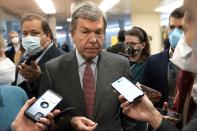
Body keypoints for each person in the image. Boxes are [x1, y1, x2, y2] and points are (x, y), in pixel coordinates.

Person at [39, 1, 135, 131]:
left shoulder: (120, 65)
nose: (93, 40)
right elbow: (46, 117)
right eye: (85, 32)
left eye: (99, 32)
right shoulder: (53, 69)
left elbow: (130, 114)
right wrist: (71, 121)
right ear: (72, 34)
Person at [120, 0, 197, 130]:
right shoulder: (154, 61)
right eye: (172, 28)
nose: (177, 34)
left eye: (183, 29)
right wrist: (155, 115)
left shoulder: (191, 65)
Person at [142, 7, 185, 108]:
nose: (175, 33)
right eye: (172, 27)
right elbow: (145, 95)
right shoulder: (153, 62)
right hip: (161, 119)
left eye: (181, 28)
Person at [13, 14, 64, 98]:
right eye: (25, 33)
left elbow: (62, 94)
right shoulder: (25, 57)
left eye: (34, 33)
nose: (28, 38)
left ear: (47, 35)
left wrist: (38, 79)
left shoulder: (61, 59)